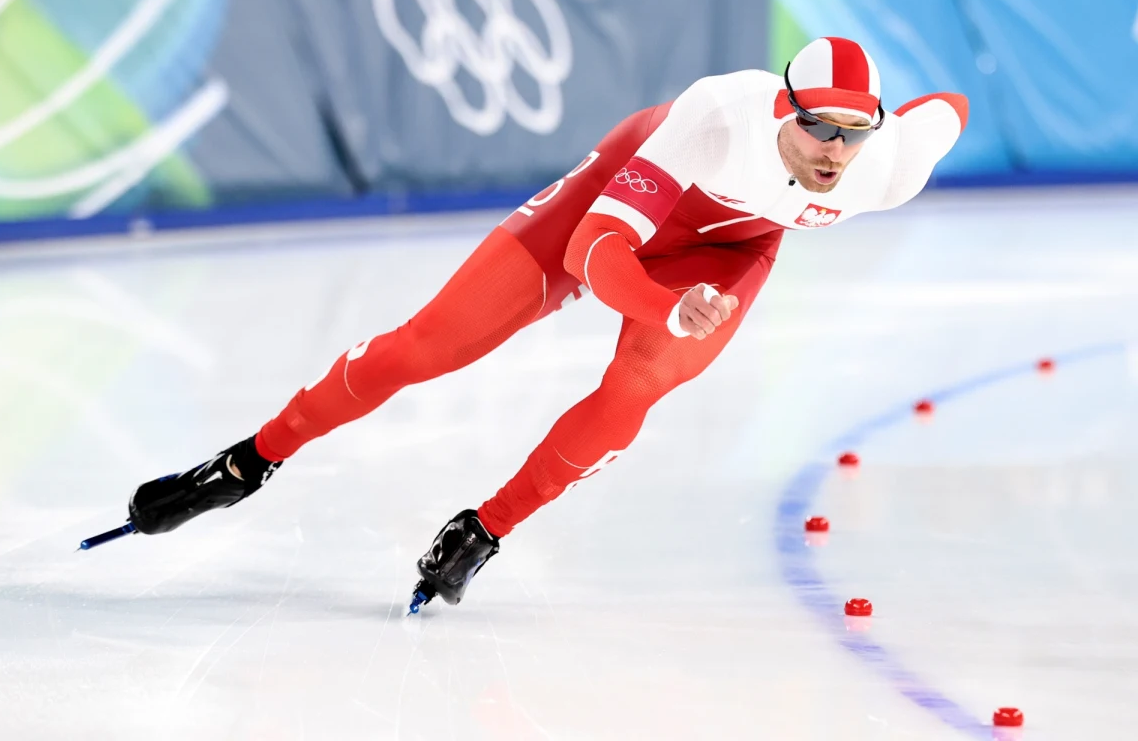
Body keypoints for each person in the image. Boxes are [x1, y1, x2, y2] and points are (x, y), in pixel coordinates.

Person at [124, 37, 968, 611]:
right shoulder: (714, 120)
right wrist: (662, 304)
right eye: (817, 126)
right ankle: (248, 460)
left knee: (635, 393)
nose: (833, 150)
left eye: (852, 133)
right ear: (783, 110)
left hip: (725, 252)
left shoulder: (883, 167)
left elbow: (947, 108)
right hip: (608, 213)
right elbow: (600, 248)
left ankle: (485, 528)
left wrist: (680, 304)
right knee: (428, 347)